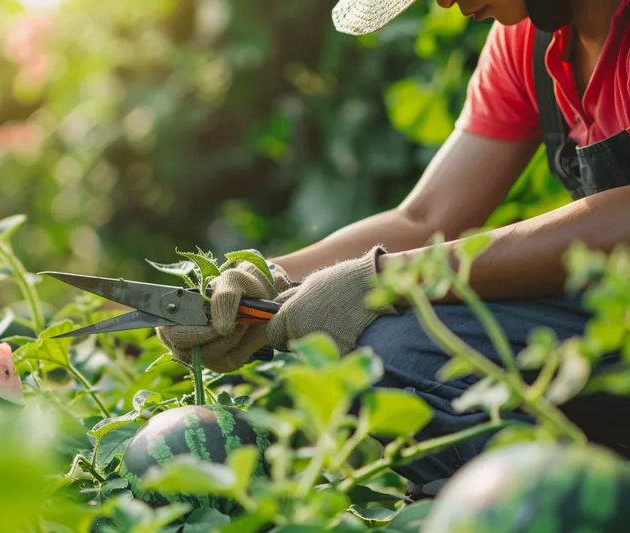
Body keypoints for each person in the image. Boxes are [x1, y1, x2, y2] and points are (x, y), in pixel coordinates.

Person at [157, 0, 630, 498]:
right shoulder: (529, 45)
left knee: (395, 350)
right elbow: (426, 218)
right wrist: (268, 278)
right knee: (386, 351)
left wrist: (383, 280)